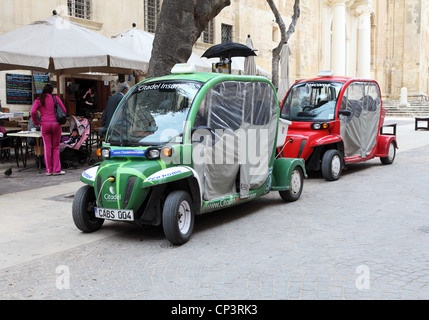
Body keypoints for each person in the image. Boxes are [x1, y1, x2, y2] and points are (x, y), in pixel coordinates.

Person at [31, 83, 67, 176]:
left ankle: (48, 170)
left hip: (44, 125)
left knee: (47, 147)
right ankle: (56, 170)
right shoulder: (56, 98)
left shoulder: (39, 100)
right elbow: (64, 110)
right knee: (56, 147)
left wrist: (36, 122)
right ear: (52, 91)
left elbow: (32, 111)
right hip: (56, 125)